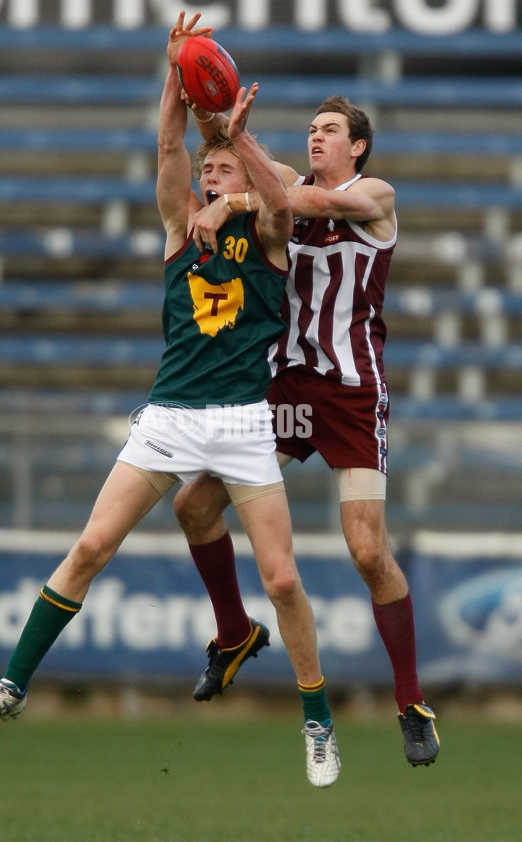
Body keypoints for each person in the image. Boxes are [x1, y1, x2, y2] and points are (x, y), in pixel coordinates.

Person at [0, 12, 340, 789]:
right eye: (209, 173)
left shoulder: (267, 229)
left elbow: (280, 201)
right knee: (91, 547)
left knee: (285, 581)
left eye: (222, 170)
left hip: (240, 422)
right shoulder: (178, 223)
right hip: (167, 416)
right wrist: (175, 72)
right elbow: (169, 146)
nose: (209, 176)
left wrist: (243, 155)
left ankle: (317, 721)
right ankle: (13, 684)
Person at [173, 91, 440, 768]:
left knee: (366, 551)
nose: (317, 138)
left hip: (353, 393)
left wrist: (234, 198)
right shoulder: (282, 183)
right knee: (195, 503)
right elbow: (241, 162)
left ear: (357, 147)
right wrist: (208, 109)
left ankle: (410, 703)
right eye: (313, 130)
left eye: (330, 131)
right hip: (290, 388)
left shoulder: (374, 194)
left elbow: (294, 203)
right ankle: (233, 633)